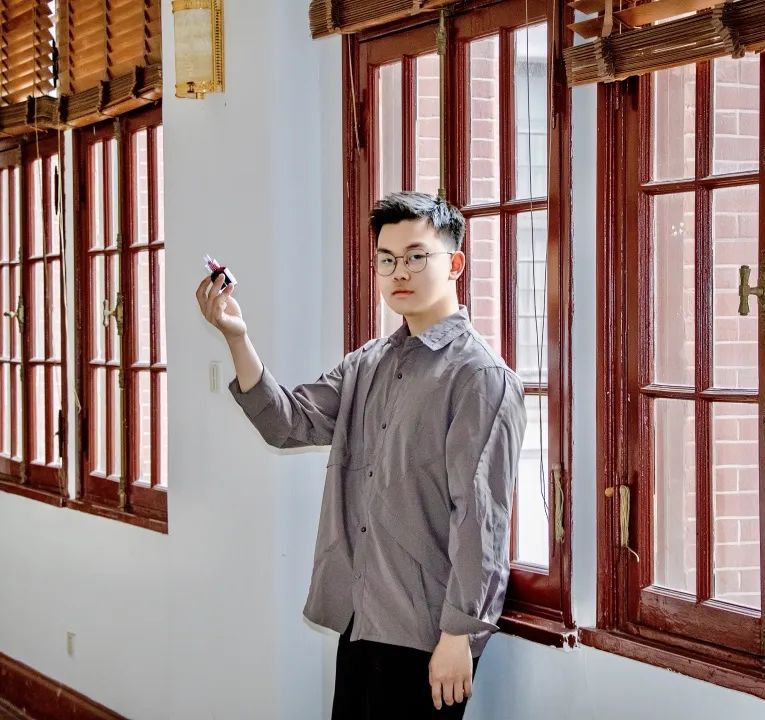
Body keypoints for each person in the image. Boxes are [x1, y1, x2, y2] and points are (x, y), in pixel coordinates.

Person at [195, 191, 527, 719]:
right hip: (361, 616)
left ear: (455, 264)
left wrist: (459, 636)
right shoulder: (368, 363)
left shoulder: (479, 377)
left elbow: (481, 519)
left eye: (416, 256)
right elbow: (287, 423)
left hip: (426, 634)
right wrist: (238, 337)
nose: (400, 272)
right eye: (387, 260)